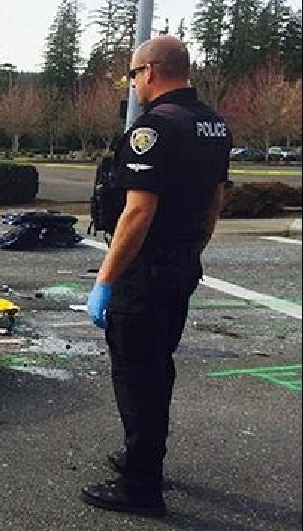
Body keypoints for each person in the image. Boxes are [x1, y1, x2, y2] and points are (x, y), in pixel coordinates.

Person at [83, 35, 231, 517]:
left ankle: (141, 486)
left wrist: (106, 279)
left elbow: (137, 213)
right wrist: (192, 250)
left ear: (150, 72)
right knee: (156, 367)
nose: (131, 84)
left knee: (136, 373)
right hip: (182, 263)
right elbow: (213, 202)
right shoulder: (213, 125)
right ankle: (143, 457)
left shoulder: (152, 130)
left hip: (144, 272)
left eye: (132, 74)